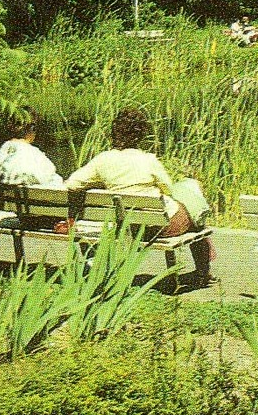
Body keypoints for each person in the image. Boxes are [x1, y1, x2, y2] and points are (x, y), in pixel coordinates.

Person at [65, 107, 213, 283]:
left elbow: (71, 184)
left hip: (130, 227)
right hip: (162, 226)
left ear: (114, 133)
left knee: (191, 207)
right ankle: (203, 273)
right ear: (140, 134)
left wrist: (103, 183)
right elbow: (168, 190)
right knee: (195, 209)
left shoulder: (102, 160)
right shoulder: (148, 160)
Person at [0, 110, 64, 189]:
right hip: (29, 198)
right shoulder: (34, 154)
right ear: (32, 131)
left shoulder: (2, 150)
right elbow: (51, 178)